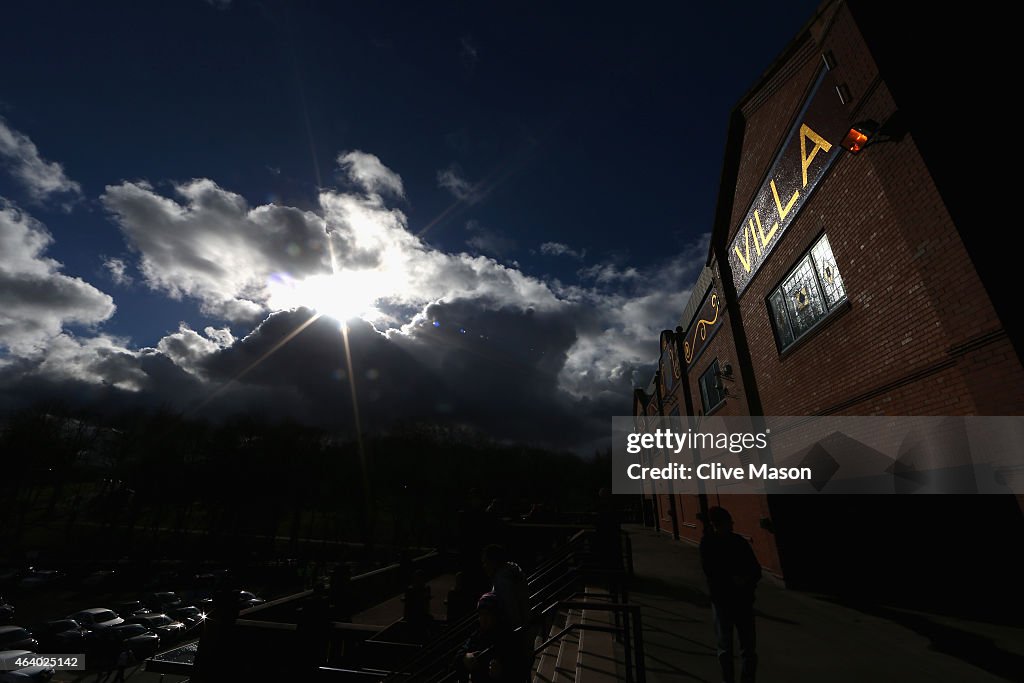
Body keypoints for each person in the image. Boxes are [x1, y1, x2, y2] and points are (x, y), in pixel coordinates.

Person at [700, 506, 761, 683]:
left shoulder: (713, 543)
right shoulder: (715, 543)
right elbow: (711, 572)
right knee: (742, 648)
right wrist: (741, 581)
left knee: (731, 648)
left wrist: (744, 580)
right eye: (729, 522)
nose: (732, 525)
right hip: (733, 601)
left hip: (729, 601)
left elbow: (755, 570)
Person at [455, 592, 523, 682]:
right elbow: (459, 655)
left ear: (496, 616)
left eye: (487, 614)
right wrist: (465, 656)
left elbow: (518, 669)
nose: (483, 618)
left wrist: (502, 673)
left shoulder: (507, 638)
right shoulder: (478, 635)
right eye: (481, 614)